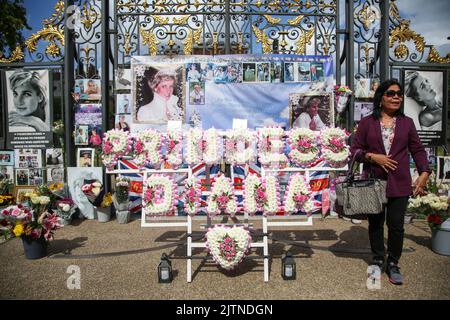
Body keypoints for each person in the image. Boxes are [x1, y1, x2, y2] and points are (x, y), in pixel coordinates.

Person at [350, 79, 430, 285]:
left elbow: (418, 150)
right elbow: (355, 150)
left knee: (396, 226)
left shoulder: (407, 123)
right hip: (374, 181)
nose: (396, 97)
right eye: (391, 93)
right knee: (376, 224)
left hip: (399, 182)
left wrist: (424, 172)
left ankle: (393, 262)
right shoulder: (367, 122)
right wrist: (372, 157)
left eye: (399, 94)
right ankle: (377, 258)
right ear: (381, 98)